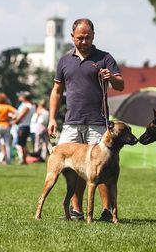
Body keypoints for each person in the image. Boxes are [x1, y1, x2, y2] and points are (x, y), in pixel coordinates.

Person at [48, 18, 124, 221]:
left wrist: (112, 78)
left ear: (93, 37)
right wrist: (52, 118)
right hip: (72, 121)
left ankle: (107, 211)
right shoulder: (64, 61)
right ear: (72, 36)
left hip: (98, 122)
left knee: (103, 169)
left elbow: (120, 85)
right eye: (80, 37)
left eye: (88, 37)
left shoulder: (104, 58)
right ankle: (76, 211)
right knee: (73, 169)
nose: (84, 41)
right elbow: (56, 91)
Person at [0, 93, 17, 165]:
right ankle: (8, 160)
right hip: (6, 125)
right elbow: (16, 112)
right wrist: (12, 119)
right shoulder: (7, 107)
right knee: (7, 144)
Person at [13, 91, 34, 165]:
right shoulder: (30, 105)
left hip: (23, 126)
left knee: (22, 144)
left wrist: (15, 121)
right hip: (26, 126)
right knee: (23, 143)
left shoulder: (26, 106)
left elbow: (20, 116)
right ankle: (24, 159)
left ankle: (24, 160)